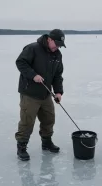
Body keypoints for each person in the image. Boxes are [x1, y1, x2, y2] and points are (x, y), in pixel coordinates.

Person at [14, 29, 66, 161]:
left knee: (49, 119)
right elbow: (20, 62)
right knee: (27, 121)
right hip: (30, 93)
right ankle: (21, 147)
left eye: (60, 45)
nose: (57, 47)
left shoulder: (57, 55)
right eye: (57, 44)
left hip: (46, 93)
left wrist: (58, 92)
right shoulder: (33, 48)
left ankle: (46, 142)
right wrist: (33, 75)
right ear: (49, 39)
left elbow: (57, 75)